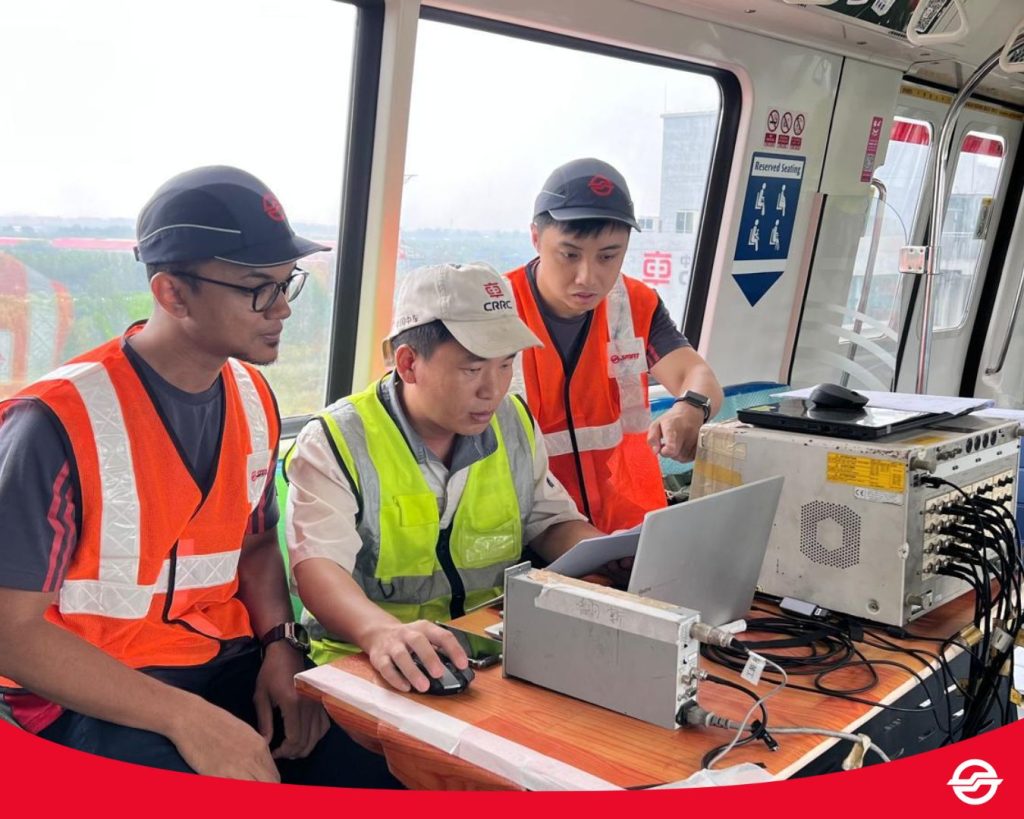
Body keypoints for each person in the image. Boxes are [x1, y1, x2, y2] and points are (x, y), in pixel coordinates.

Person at [0, 166, 398, 787]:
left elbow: (256, 546)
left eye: (285, 283)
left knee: (381, 763)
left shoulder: (251, 397)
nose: (283, 308)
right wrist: (187, 719)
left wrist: (280, 645)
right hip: (85, 695)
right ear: (173, 295)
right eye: (257, 289)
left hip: (221, 662)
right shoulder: (54, 424)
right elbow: (11, 632)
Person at [284, 262, 604, 691]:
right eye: (472, 370)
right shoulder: (337, 440)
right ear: (408, 364)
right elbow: (318, 568)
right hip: (367, 660)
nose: (493, 390)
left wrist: (608, 555)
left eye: (505, 365)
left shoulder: (513, 421)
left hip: (490, 651)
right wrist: (381, 633)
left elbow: (549, 523)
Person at [506, 158, 724, 534]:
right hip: (531, 532)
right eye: (569, 254)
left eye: (608, 256)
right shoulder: (495, 310)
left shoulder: (635, 305)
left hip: (628, 530)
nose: (588, 277)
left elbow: (695, 373)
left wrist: (690, 410)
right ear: (536, 238)